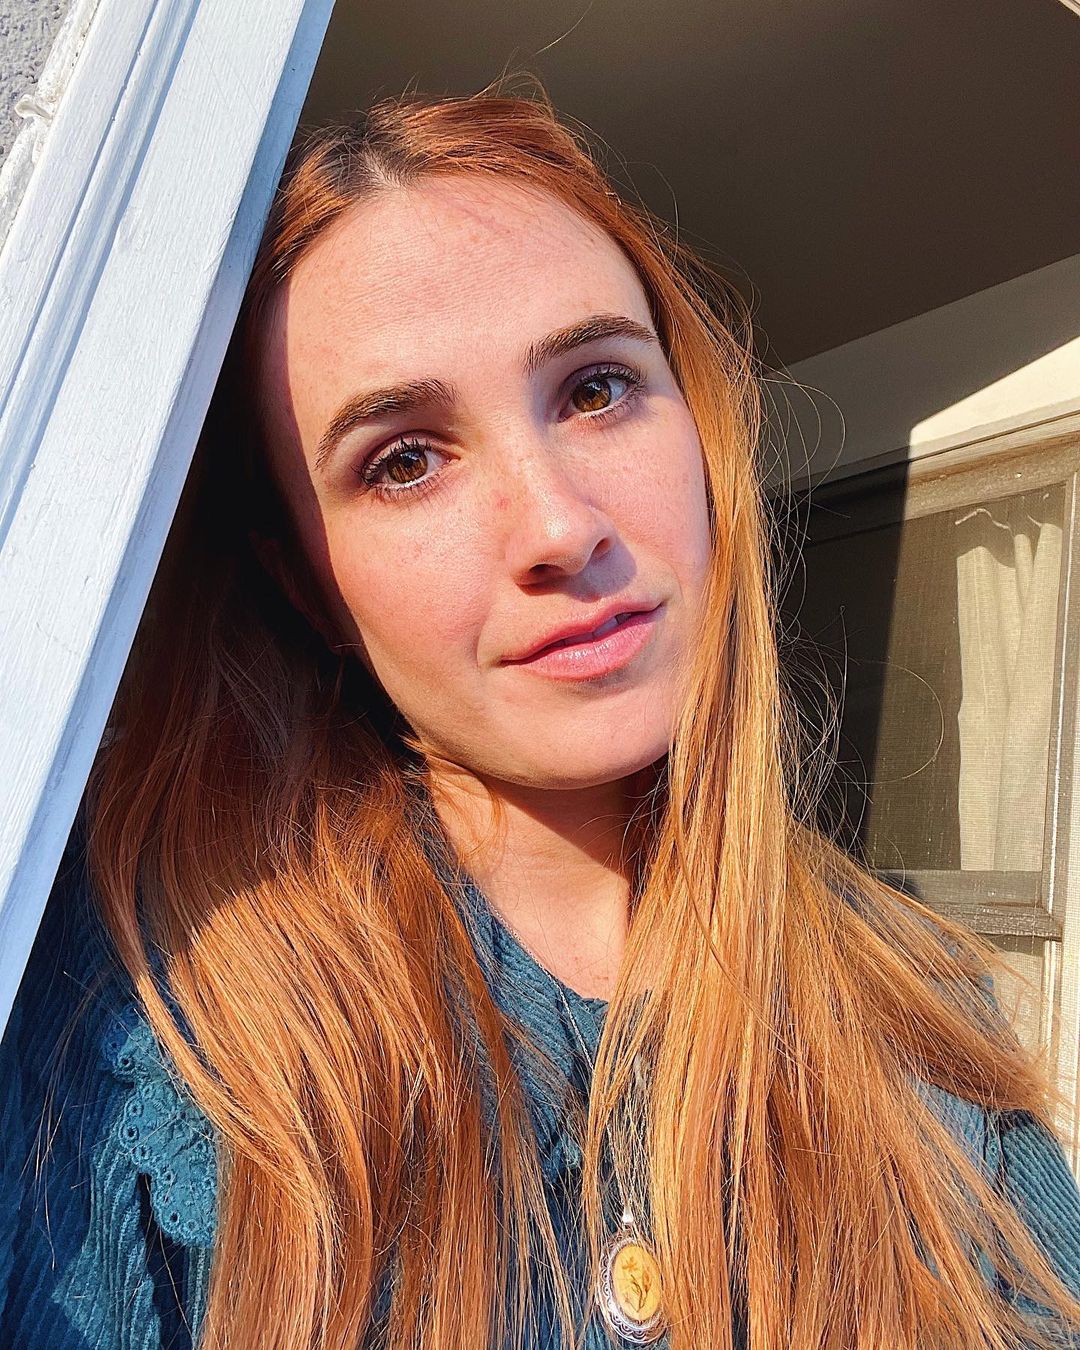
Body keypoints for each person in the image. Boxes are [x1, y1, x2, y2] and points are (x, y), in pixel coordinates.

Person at [2, 85, 1079, 1350]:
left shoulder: (921, 1016)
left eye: (597, 389)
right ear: (306, 583)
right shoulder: (144, 1038)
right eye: (405, 459)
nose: (561, 527)